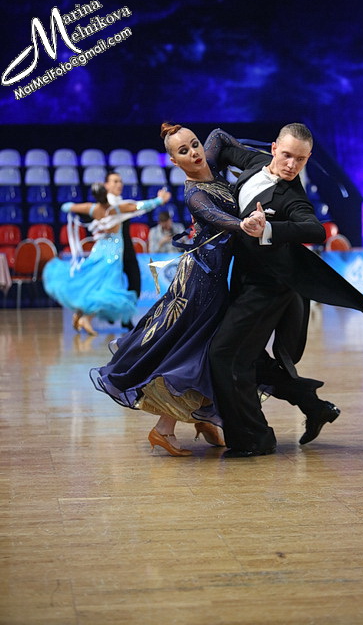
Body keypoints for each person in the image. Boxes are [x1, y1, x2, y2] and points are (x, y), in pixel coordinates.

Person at [209, 124, 363, 457]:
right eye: (287, 155)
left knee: (224, 354)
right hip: (244, 278)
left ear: (308, 159)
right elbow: (219, 140)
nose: (291, 165)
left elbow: (315, 230)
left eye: (300, 160)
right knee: (251, 359)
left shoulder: (292, 196)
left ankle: (255, 438)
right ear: (274, 148)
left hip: (270, 286)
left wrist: (269, 228)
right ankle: (313, 406)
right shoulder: (254, 161)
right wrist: (204, 175)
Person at [90, 124, 265, 456]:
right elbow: (217, 217)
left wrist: (263, 152)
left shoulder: (208, 157)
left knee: (209, 350)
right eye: (183, 151)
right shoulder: (194, 194)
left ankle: (203, 417)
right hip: (201, 283)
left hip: (214, 278)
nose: (194, 153)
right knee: (193, 351)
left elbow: (219, 135)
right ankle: (167, 428)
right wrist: (243, 224)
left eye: (194, 144)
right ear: (174, 161)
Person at [43, 183, 170, 335]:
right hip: (113, 255)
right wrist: (159, 200)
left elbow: (66, 207)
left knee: (92, 284)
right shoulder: (116, 209)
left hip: (98, 251)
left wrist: (73, 208)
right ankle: (86, 318)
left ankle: (81, 313)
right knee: (107, 289)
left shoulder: (92, 208)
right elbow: (140, 206)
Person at [104, 171, 141, 329]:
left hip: (127, 250)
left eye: (120, 181)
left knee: (136, 284)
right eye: (115, 181)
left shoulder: (123, 203)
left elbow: (139, 208)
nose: (119, 184)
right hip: (111, 251)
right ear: (106, 185)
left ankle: (127, 317)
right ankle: (110, 313)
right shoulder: (103, 205)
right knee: (110, 286)